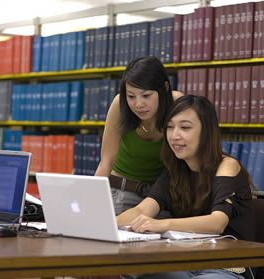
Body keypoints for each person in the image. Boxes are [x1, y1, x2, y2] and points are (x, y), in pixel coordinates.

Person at [117, 95, 259, 279]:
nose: (174, 135)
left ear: (206, 132)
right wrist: (105, 225)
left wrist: (161, 225)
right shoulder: (174, 171)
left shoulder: (227, 166)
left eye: (185, 127)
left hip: (227, 266)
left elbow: (217, 222)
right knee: (136, 274)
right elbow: (141, 210)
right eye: (169, 127)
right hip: (187, 262)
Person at [95, 56, 183, 215]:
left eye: (146, 95)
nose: (138, 104)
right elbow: (106, 162)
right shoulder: (119, 105)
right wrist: (92, 203)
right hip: (120, 193)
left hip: (162, 197)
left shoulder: (178, 105)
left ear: (165, 88)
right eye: (131, 96)